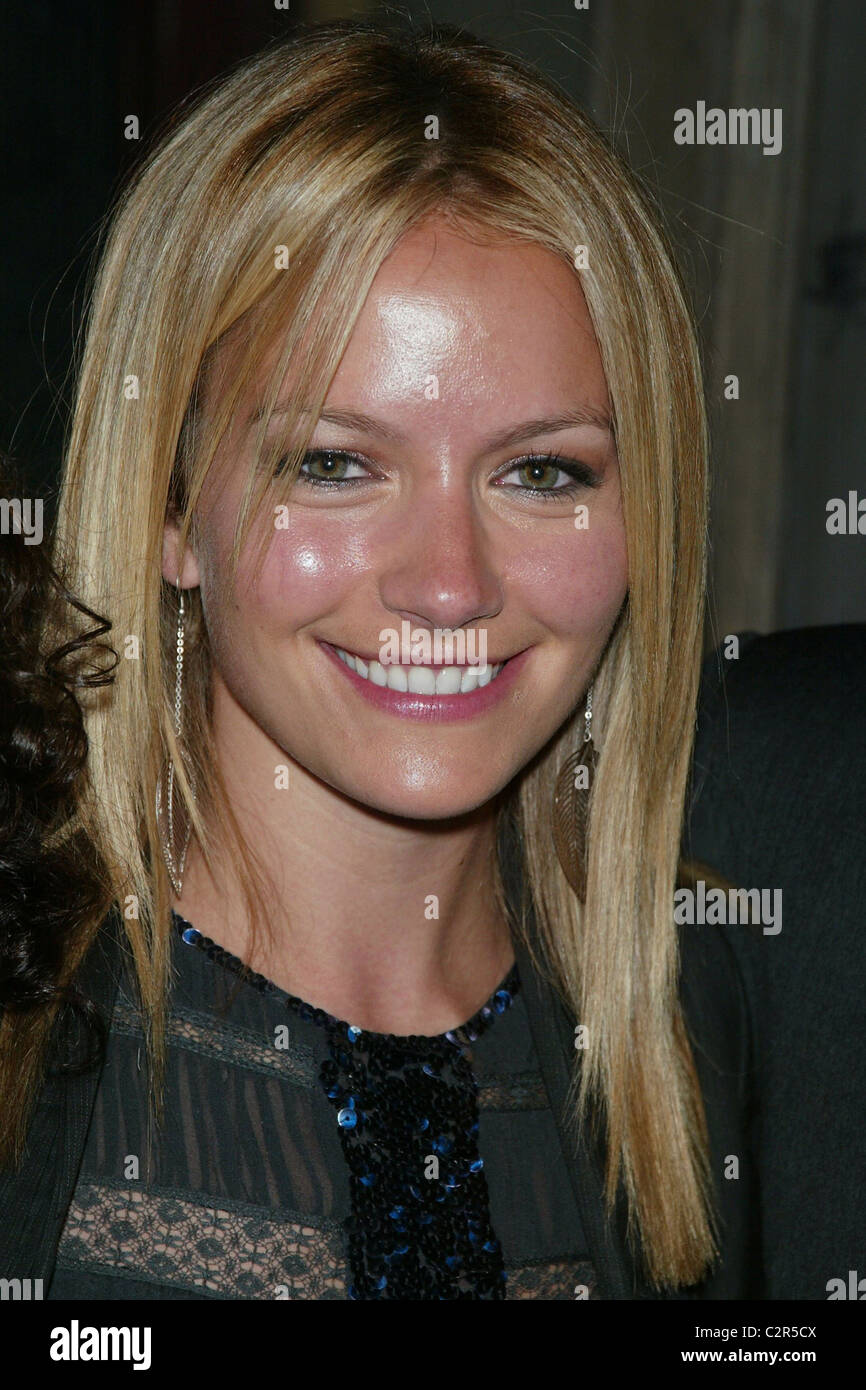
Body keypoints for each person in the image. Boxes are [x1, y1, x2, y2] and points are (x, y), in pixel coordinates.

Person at [0, 16, 759, 1300]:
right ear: (169, 506)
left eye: (540, 472)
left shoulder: (709, 1018)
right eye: (334, 464)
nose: (448, 584)